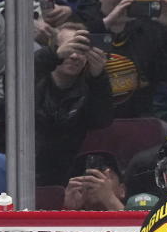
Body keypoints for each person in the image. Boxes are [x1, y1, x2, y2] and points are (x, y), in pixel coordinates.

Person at [75, 0, 167, 119]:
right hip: (88, 117)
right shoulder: (81, 21)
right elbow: (72, 59)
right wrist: (107, 23)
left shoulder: (148, 30)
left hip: (138, 119)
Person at [34, 22, 113, 187]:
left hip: (71, 175)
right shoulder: (35, 79)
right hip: (29, 167)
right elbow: (11, 86)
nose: (75, 56)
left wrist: (98, 77)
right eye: (70, 48)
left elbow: (101, 120)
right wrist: (53, 56)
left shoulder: (91, 87)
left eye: (82, 50)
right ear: (56, 49)